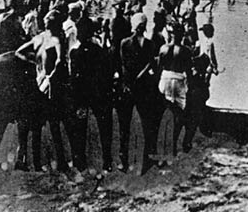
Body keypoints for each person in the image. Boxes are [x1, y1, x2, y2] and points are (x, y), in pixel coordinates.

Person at [15, 10, 70, 173]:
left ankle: (37, 163)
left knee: (37, 126)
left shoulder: (39, 38)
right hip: (49, 86)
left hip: (38, 84)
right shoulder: (57, 39)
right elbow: (60, 62)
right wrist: (49, 76)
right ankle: (59, 161)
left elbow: (19, 52)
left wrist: (34, 65)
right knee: (53, 125)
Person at [69, 18, 114, 173]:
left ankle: (81, 161)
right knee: (104, 127)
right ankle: (106, 160)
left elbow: (74, 78)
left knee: (80, 128)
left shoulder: (75, 53)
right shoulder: (100, 51)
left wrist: (76, 99)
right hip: (98, 94)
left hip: (84, 95)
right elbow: (106, 74)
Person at [118, 12, 159, 174]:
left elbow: (124, 66)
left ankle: (124, 161)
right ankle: (143, 160)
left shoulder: (125, 42)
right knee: (144, 124)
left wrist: (129, 82)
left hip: (130, 87)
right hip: (140, 87)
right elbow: (149, 65)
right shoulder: (149, 44)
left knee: (126, 125)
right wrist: (139, 78)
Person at [156, 23, 192, 165]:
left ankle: (161, 152)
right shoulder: (185, 50)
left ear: (170, 34)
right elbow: (188, 71)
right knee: (179, 115)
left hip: (165, 78)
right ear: (182, 35)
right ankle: (172, 149)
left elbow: (159, 68)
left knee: (164, 114)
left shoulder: (163, 48)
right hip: (178, 79)